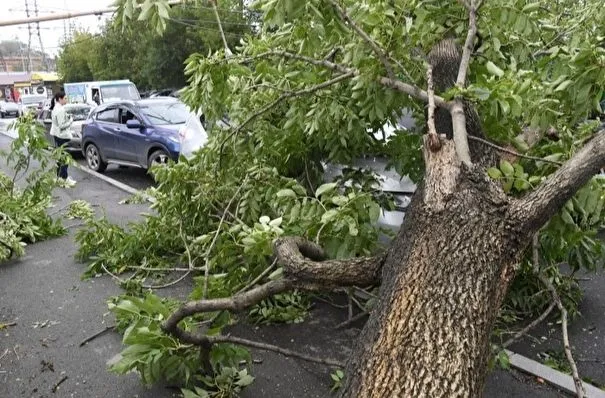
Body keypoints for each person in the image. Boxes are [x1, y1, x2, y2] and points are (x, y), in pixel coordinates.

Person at [49, 91, 76, 187]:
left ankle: (59, 177)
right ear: (60, 99)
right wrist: (70, 121)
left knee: (60, 157)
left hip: (57, 135)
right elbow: (61, 125)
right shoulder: (60, 110)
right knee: (65, 158)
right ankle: (64, 178)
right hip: (62, 136)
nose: (66, 100)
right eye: (65, 98)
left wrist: (67, 117)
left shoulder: (56, 108)